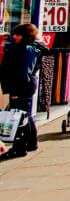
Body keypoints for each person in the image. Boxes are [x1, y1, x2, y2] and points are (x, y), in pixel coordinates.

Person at [0, 24, 43, 156]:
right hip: (27, 84)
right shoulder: (33, 48)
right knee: (25, 114)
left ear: (25, 36)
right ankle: (31, 143)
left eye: (18, 34)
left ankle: (20, 147)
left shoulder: (24, 49)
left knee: (18, 116)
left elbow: (21, 72)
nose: (14, 36)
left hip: (21, 85)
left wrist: (15, 91)